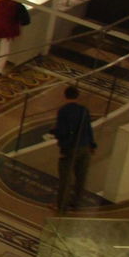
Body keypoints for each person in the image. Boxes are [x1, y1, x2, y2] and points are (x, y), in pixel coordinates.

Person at [52, 84, 96, 214]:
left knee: (66, 178)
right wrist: (92, 145)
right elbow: (88, 128)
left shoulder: (64, 111)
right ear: (78, 96)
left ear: (65, 96)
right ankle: (76, 203)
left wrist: (54, 132)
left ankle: (61, 206)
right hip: (85, 147)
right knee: (81, 176)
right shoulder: (84, 110)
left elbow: (62, 131)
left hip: (70, 148)